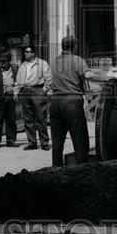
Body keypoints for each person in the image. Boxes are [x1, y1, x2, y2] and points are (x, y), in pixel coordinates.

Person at [50, 36, 94, 166]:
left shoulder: (54, 62)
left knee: (57, 142)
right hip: (72, 102)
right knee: (80, 140)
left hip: (56, 102)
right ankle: (82, 169)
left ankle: (56, 170)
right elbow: (88, 75)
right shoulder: (77, 60)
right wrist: (107, 77)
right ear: (74, 46)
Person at [15, 46, 53, 151]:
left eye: (28, 52)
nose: (25, 54)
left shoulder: (42, 63)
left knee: (41, 118)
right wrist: (16, 91)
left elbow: (49, 78)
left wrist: (44, 90)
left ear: (33, 53)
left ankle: (44, 142)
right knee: (28, 119)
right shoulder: (22, 66)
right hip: (25, 91)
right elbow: (18, 80)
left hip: (37, 90)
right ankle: (32, 142)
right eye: (25, 52)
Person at [0, 51, 19, 147]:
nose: (2, 63)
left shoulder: (15, 70)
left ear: (9, 61)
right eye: (1, 61)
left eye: (5, 61)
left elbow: (18, 83)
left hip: (11, 98)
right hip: (0, 98)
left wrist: (16, 93)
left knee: (11, 120)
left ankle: (11, 140)